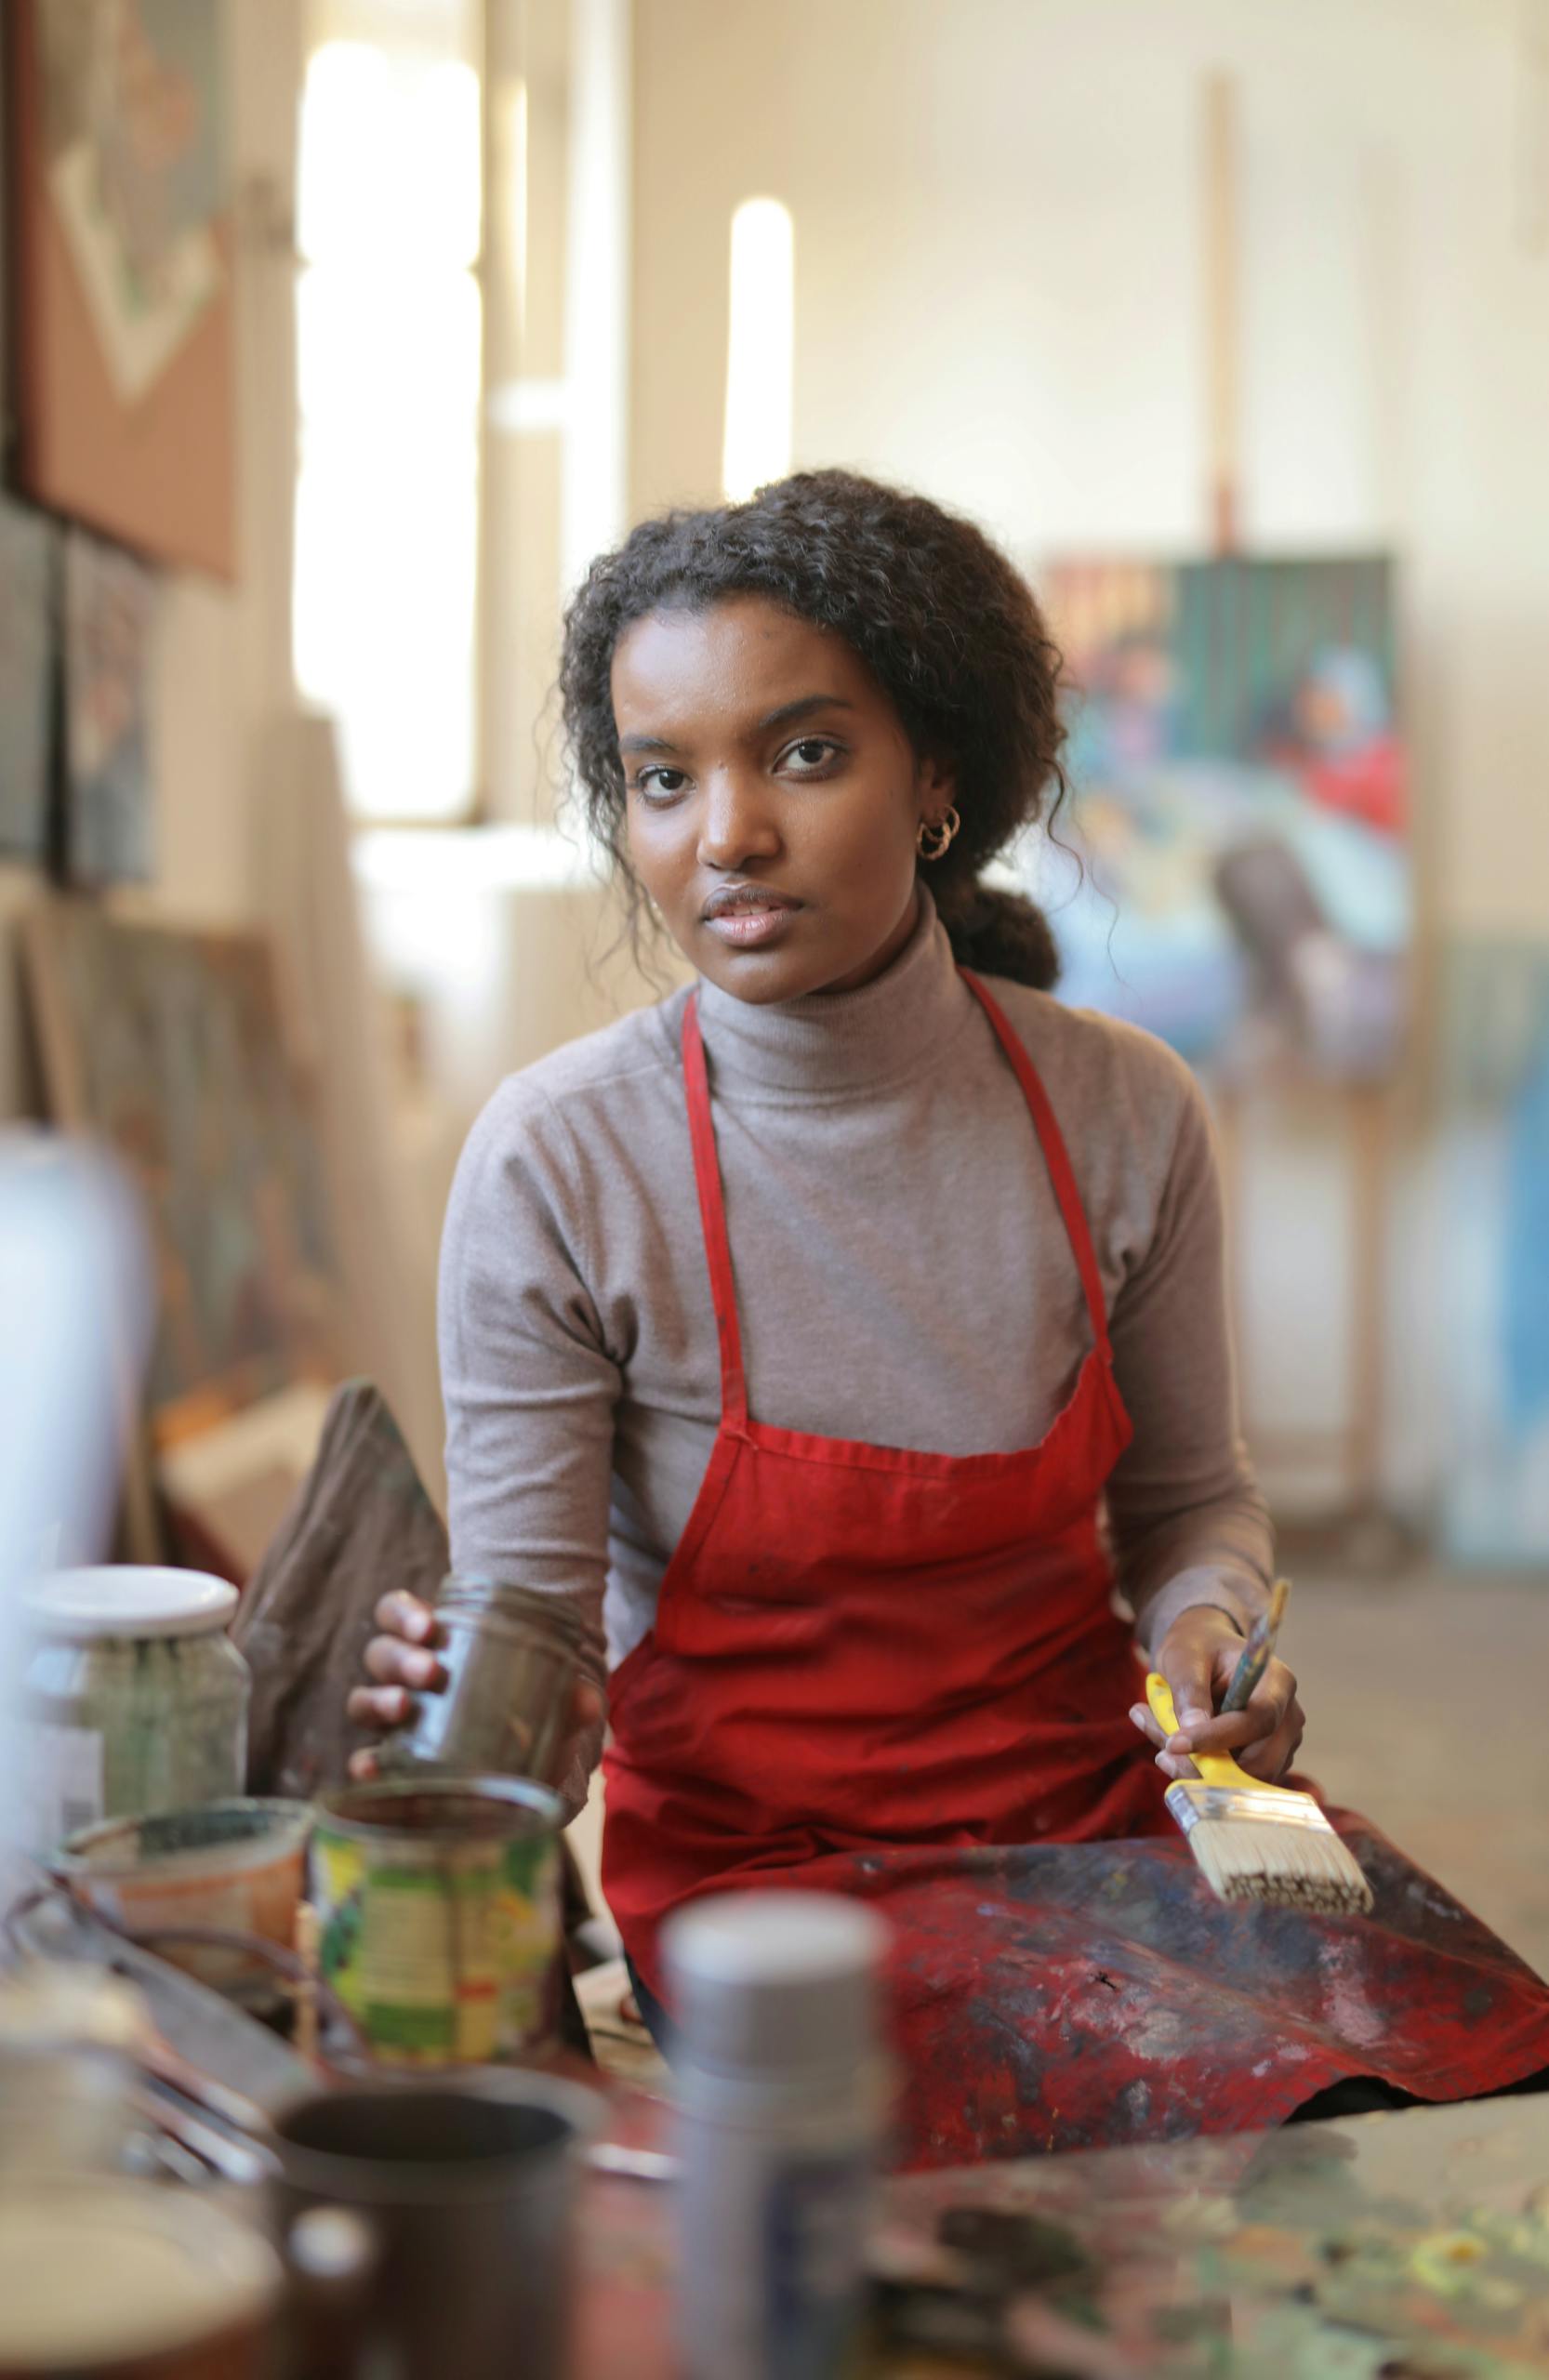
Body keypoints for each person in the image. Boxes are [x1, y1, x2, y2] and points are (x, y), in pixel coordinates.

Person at [350, 470, 1549, 2165]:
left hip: (1108, 1813)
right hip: (775, 1884)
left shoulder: (1123, 1109)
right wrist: (455, 1728)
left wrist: (1212, 1639)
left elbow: (1191, 1504)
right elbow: (535, 1642)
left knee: (1464, 2062)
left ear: (936, 779)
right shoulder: (564, 1158)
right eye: (662, 777)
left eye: (804, 752)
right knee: (1200, 2122)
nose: (727, 836)